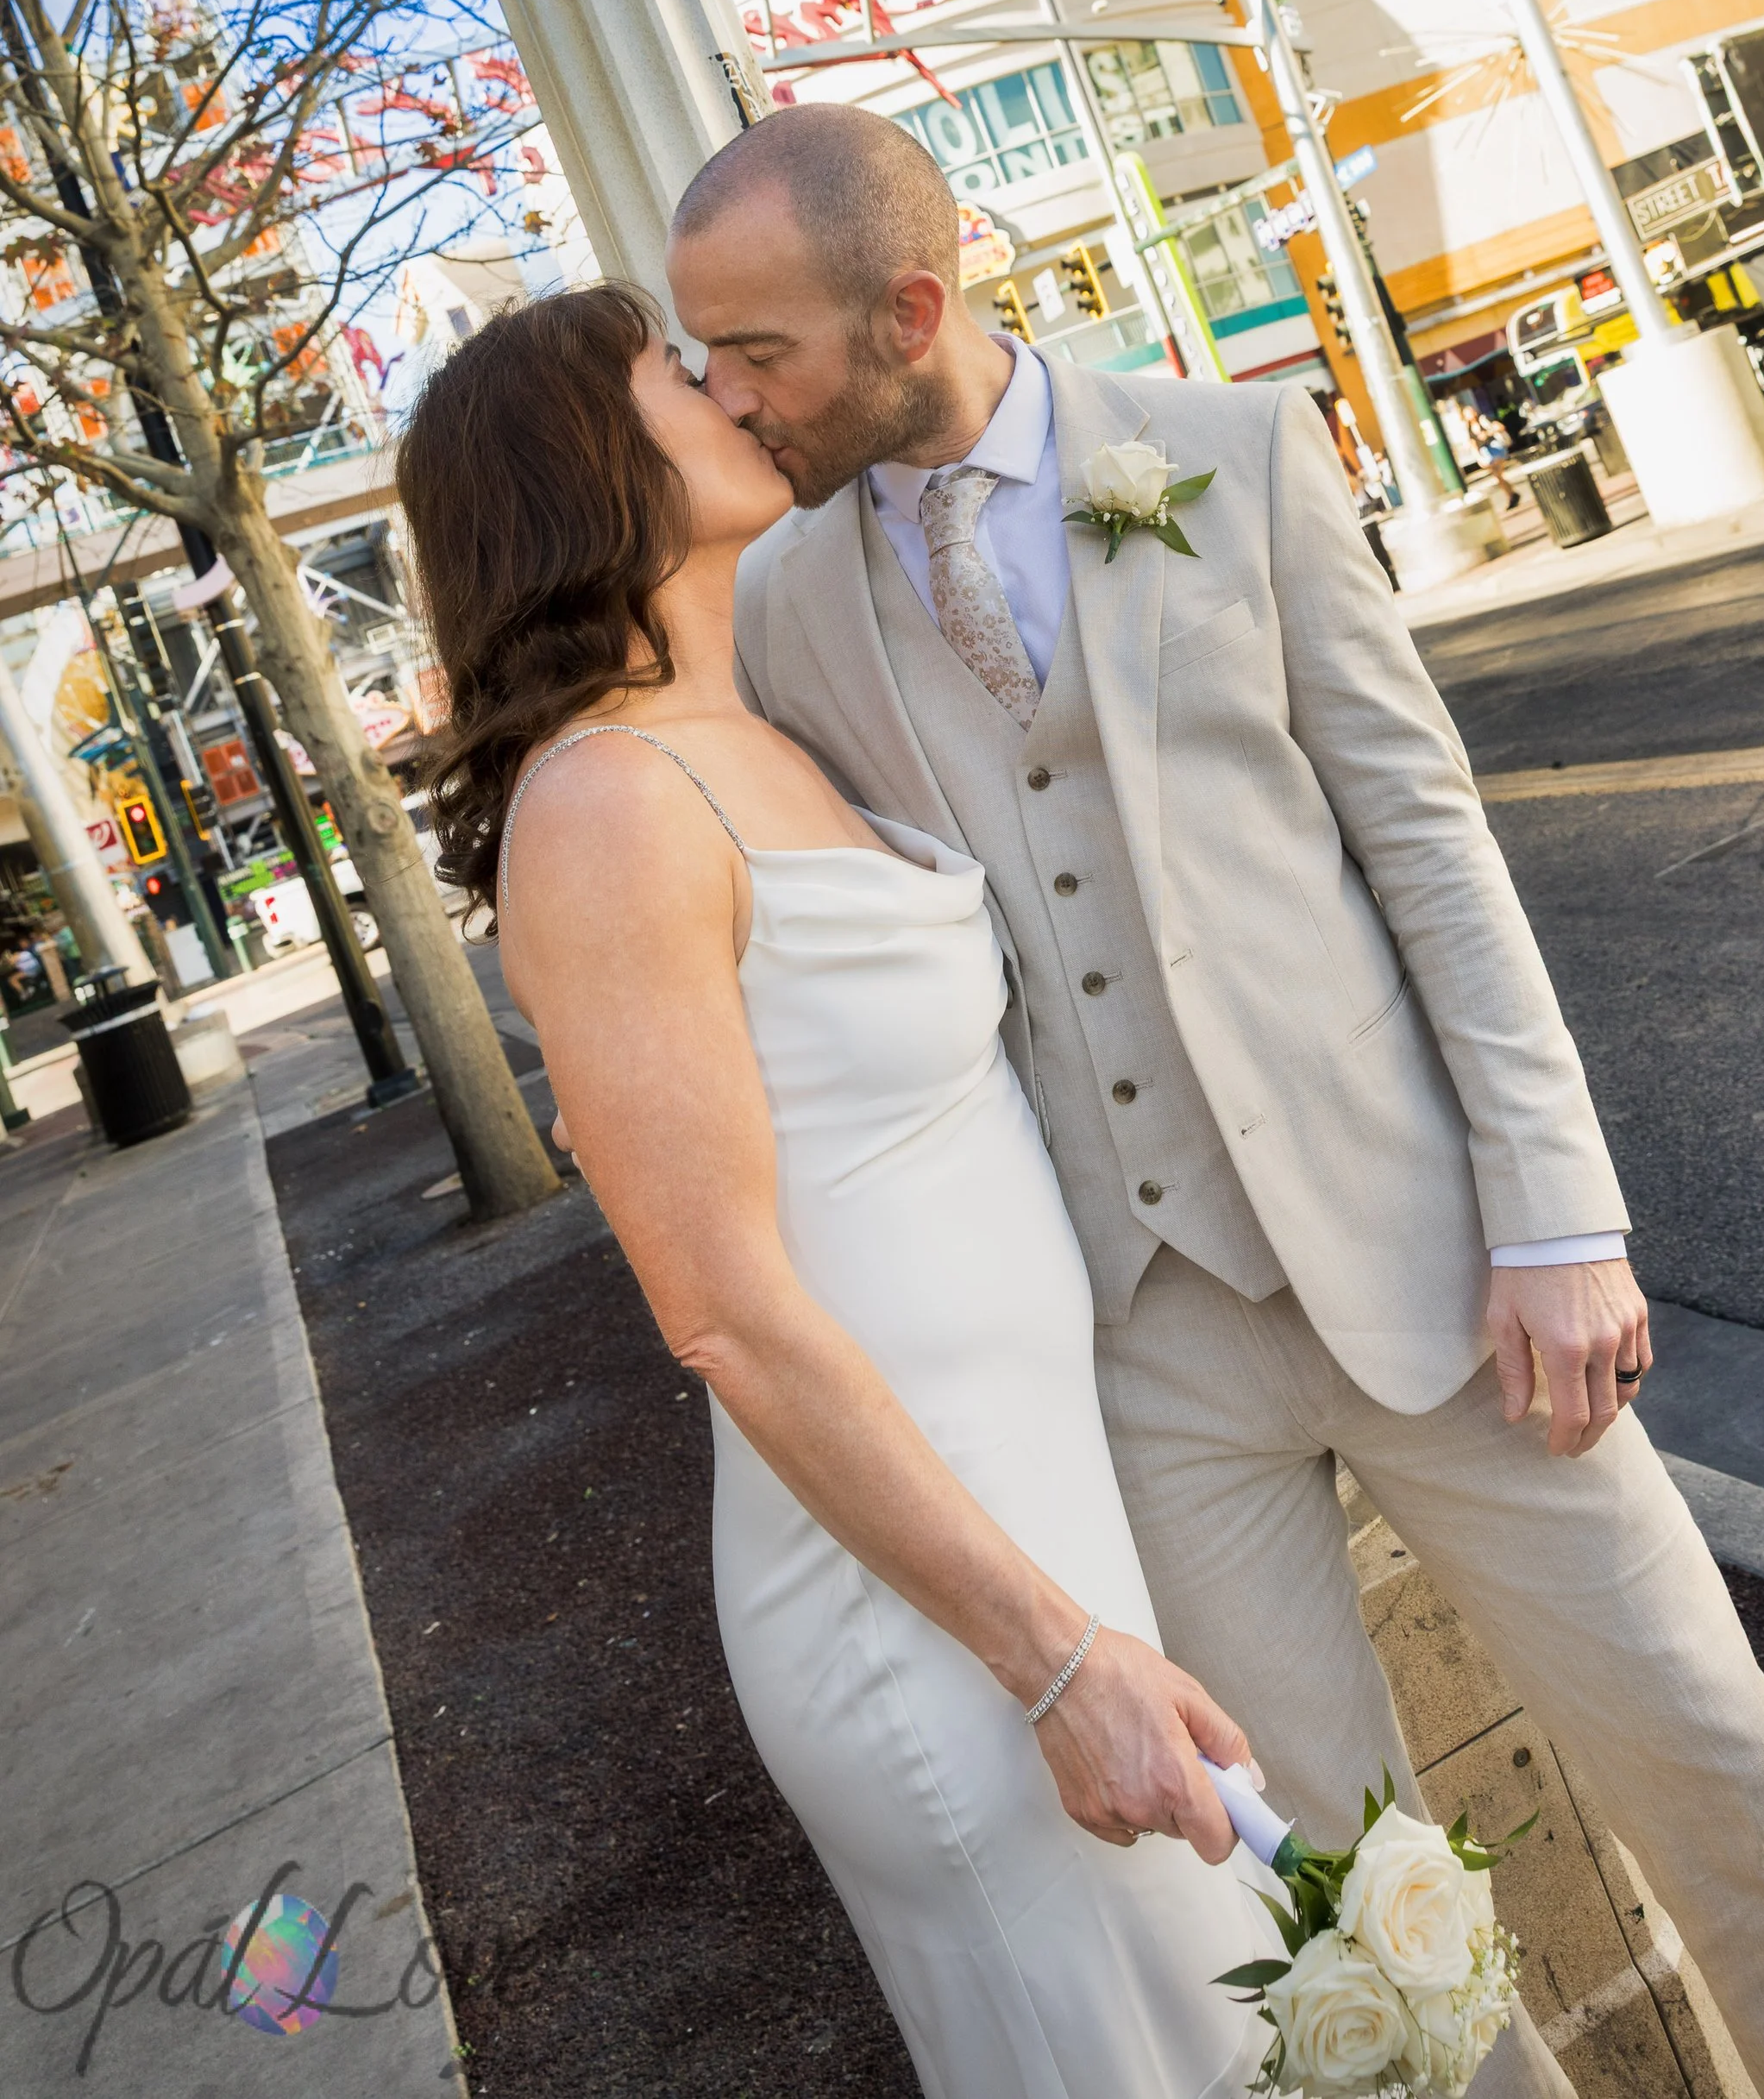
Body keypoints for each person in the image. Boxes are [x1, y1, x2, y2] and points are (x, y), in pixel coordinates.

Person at [669, 102, 1764, 2099]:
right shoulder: (782, 609)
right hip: (1142, 1349)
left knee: (1717, 1767)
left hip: (1435, 1282)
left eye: (759, 353)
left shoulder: (1231, 457)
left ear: (908, 306)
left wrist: (1556, 1219)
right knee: (1341, 1896)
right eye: (700, 356)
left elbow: (1422, 845)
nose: (725, 396)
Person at [395, 286, 1264, 2099]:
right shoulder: (607, 806)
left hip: (1037, 1521)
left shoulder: (752, 731)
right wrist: (1046, 1664)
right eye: (671, 371)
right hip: (928, 1613)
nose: (723, 388)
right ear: (585, 465)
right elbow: (717, 1308)